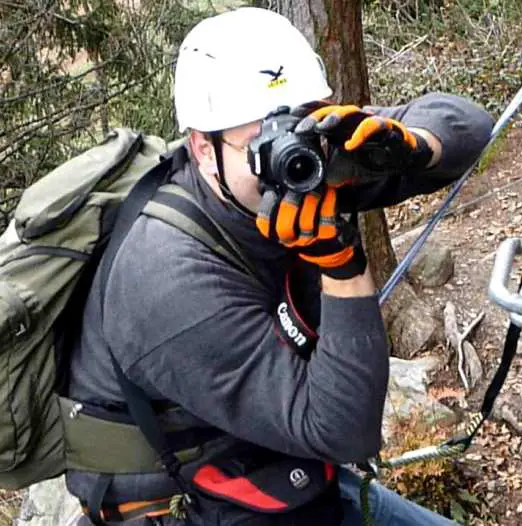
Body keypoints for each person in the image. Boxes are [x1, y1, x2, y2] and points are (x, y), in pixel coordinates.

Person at [66, 6, 494, 526]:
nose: (290, 163)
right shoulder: (167, 277)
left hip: (281, 469)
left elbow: (471, 127)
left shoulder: (304, 163)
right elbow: (343, 430)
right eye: (259, 146)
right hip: (201, 502)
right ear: (203, 149)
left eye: (304, 130)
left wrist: (404, 146)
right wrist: (341, 266)